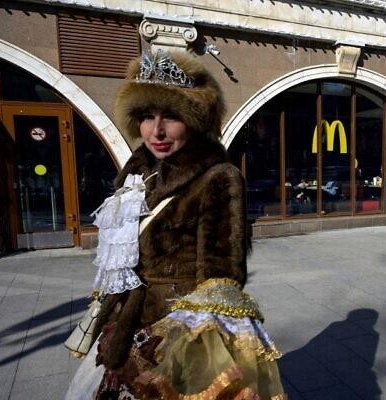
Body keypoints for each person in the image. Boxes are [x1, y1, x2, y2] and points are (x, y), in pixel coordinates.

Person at [66, 50, 285, 399]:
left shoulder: (219, 177)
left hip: (174, 336)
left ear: (195, 119)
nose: (157, 131)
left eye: (171, 116)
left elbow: (222, 278)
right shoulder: (139, 173)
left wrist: (175, 344)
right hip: (125, 322)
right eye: (147, 116)